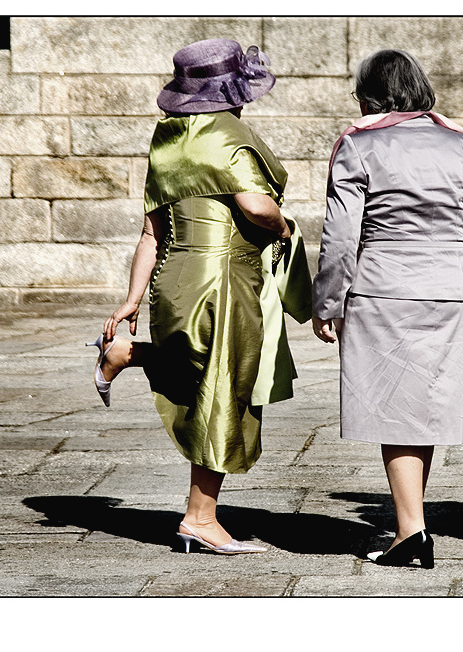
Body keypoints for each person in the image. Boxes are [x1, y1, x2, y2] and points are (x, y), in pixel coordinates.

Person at [90, 39, 311, 555]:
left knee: (199, 371)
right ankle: (200, 518)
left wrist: (131, 299)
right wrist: (281, 227)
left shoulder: (166, 138)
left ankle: (130, 352)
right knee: (222, 391)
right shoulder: (229, 134)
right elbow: (255, 206)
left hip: (174, 277)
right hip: (223, 280)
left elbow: (151, 232)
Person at [312, 49, 463, 568]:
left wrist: (327, 301)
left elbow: (341, 234)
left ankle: (411, 530)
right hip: (448, 287)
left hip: (383, 287)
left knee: (397, 411)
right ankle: (409, 525)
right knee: (423, 409)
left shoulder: (357, 144)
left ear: (370, 94)